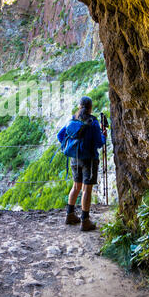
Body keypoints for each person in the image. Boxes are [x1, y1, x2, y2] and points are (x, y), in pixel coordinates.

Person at [65, 96, 107, 231]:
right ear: (90, 107)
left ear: (79, 106)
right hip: (89, 160)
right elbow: (99, 143)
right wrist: (104, 135)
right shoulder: (93, 122)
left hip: (75, 158)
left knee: (76, 186)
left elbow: (61, 136)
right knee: (87, 190)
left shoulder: (73, 119)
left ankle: (70, 215)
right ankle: (85, 220)